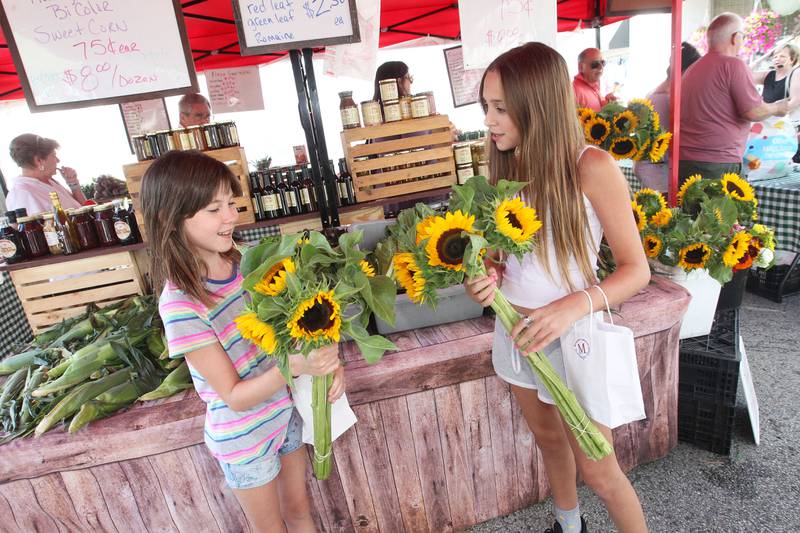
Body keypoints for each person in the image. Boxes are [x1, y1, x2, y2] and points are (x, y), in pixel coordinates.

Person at [465, 42, 650, 533]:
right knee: (547, 438)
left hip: (574, 338)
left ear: (538, 103)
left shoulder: (592, 167)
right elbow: (504, 261)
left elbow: (636, 270)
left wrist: (570, 308)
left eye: (500, 108)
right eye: (487, 107)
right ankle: (570, 525)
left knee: (599, 466)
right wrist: (487, 279)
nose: (489, 119)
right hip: (517, 333)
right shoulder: (507, 169)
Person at [141, 150, 344, 532]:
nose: (231, 217)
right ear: (170, 218)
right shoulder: (182, 303)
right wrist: (296, 367)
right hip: (244, 440)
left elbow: (295, 331)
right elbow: (233, 396)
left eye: (231, 204)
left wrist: (331, 364)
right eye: (214, 209)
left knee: (301, 514)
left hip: (284, 417)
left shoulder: (248, 263)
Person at [678, 12, 789, 185]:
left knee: (692, 211)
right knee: (720, 212)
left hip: (685, 162)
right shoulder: (733, 64)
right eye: (743, 36)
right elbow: (753, 111)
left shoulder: (692, 69)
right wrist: (777, 107)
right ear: (735, 37)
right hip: (718, 162)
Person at [633, 42, 702, 192]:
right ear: (686, 70)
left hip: (651, 169)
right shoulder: (666, 98)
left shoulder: (656, 93)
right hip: (657, 172)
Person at [6, 133, 85, 215]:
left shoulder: (50, 182)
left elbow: (83, 210)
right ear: (39, 160)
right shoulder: (21, 194)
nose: (58, 160)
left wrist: (73, 184)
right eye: (54, 155)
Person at [752, 43, 800, 163]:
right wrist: (764, 56)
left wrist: (768, 111)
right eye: (775, 56)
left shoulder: (796, 73)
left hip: (786, 129)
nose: (777, 58)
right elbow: (744, 74)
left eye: (782, 56)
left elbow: (794, 102)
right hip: (768, 127)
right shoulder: (769, 74)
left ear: (792, 59)